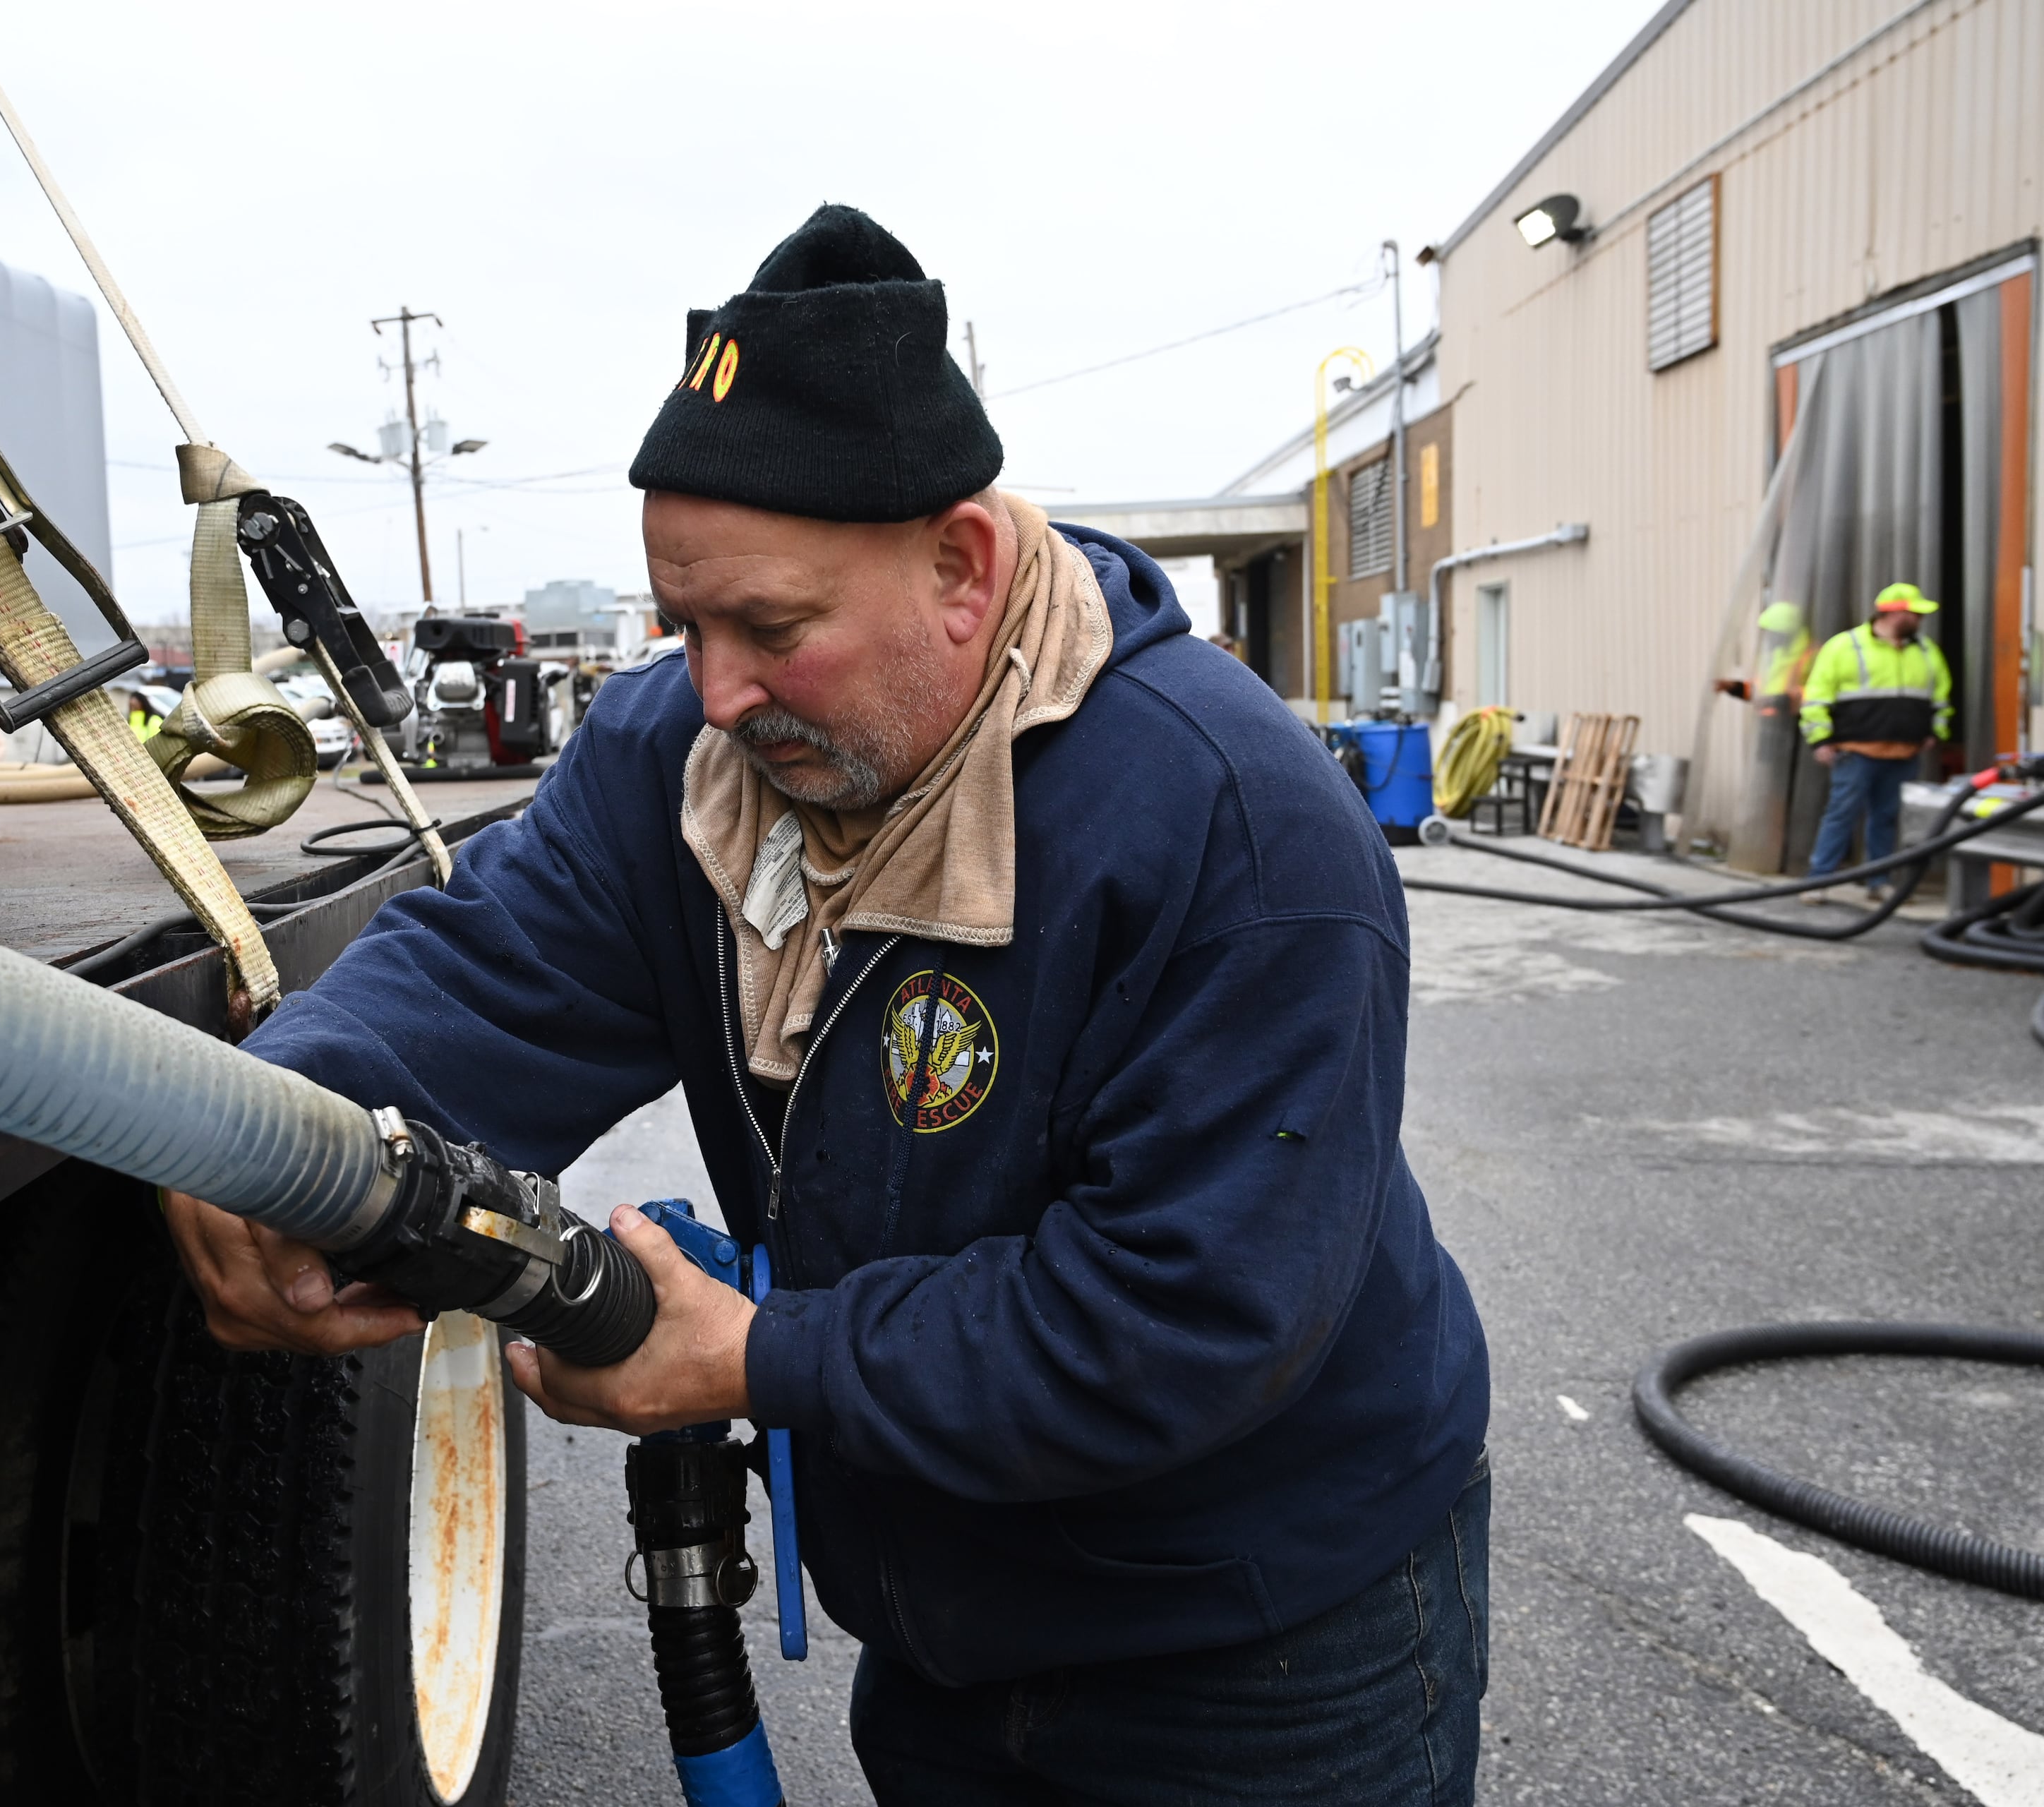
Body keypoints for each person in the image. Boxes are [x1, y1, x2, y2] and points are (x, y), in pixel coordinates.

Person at [160, 205, 1489, 1805]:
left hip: (1250, 1651)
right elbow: (487, 970)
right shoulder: (689, 760)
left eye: (770, 628)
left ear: (961, 563)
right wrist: (279, 1119)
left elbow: (1188, 1312)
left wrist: (763, 1354)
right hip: (938, 1623)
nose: (711, 689)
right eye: (684, 623)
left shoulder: (1227, 818)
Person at [1798, 583, 1951, 901]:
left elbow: (1940, 698)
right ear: (1894, 613)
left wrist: (1935, 733)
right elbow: (1816, 697)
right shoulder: (1844, 647)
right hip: (1856, 751)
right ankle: (1818, 881)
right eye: (1915, 613)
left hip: (1904, 752)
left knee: (1887, 817)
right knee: (1841, 814)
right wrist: (1820, 740)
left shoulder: (1925, 651)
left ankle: (1878, 881)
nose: (1920, 620)